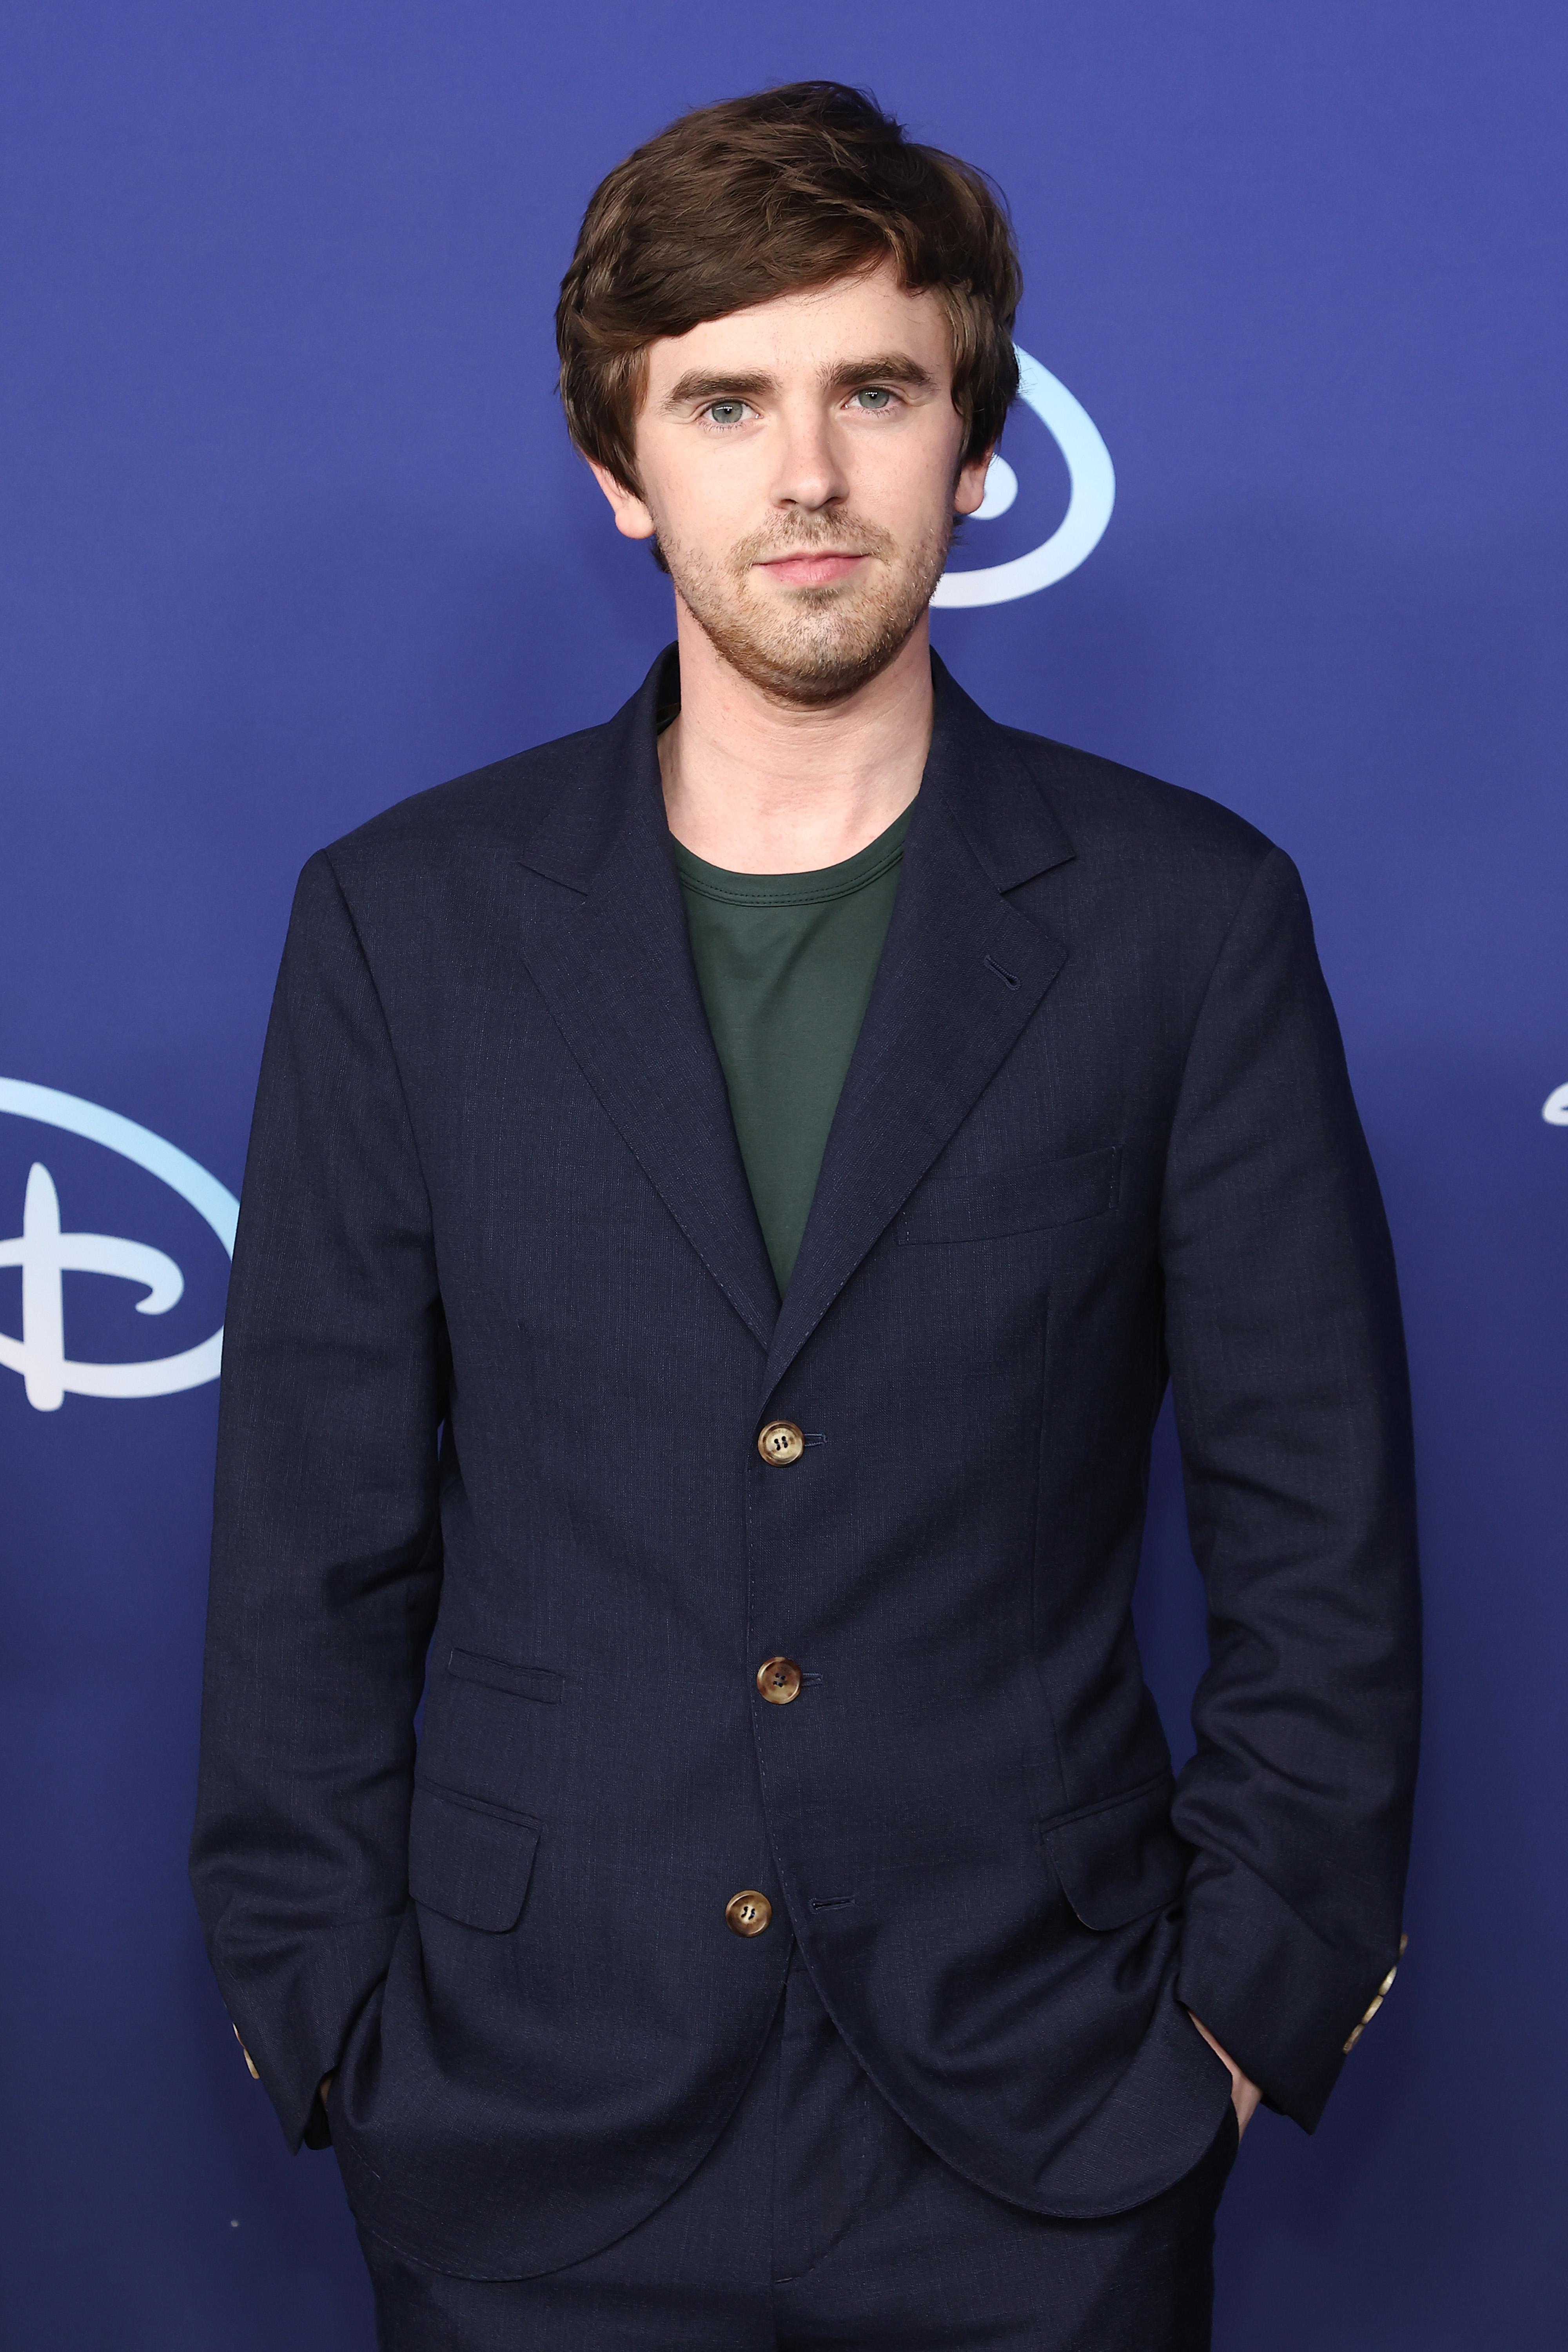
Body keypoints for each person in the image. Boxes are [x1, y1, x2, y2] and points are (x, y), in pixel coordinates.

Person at [191, 80, 1421, 2352]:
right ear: (618, 469)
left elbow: (1317, 1533)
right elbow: (312, 1544)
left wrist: (1241, 2026)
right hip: (517, 2127)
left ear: (975, 446)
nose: (810, 475)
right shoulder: (404, 923)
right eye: (726, 402)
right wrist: (334, 2013)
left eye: (876, 388)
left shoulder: (1186, 920)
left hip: (1047, 2124)